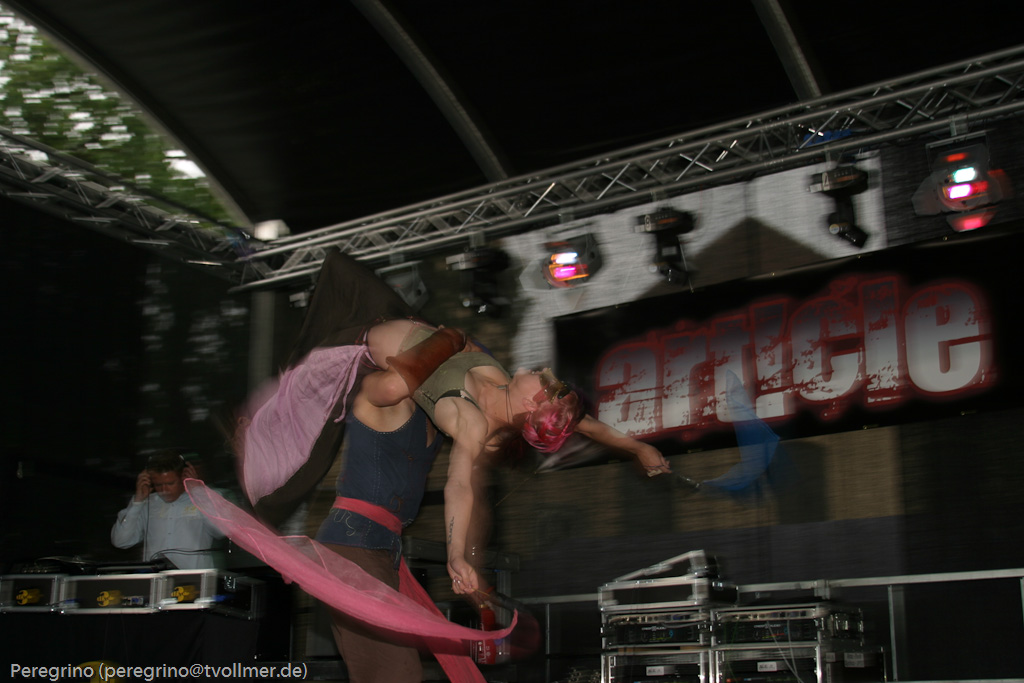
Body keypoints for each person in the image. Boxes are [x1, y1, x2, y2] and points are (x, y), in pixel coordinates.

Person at [111, 450, 225, 569]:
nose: (164, 490)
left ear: (183, 476)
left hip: (194, 578)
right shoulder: (147, 503)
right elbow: (121, 541)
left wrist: (199, 494)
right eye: (158, 485)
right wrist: (137, 502)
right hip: (156, 577)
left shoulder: (206, 498)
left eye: (170, 483)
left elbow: (221, 532)